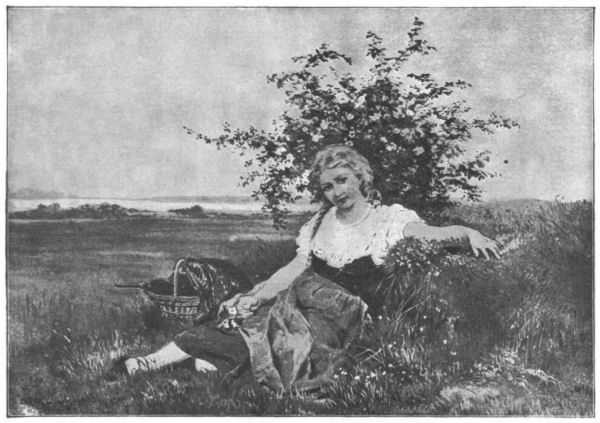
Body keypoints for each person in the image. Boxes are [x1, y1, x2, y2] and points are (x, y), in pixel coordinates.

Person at [106, 145, 500, 392]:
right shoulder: (317, 224)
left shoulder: (388, 221)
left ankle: (215, 365)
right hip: (302, 292)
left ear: (360, 178)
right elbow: (295, 268)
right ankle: (149, 362)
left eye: (343, 181)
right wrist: (255, 293)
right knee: (246, 313)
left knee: (284, 338)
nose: (337, 192)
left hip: (341, 310)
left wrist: (468, 233)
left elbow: (433, 233)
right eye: (328, 187)